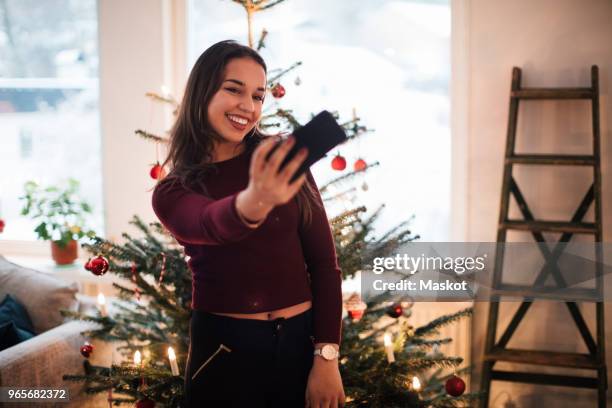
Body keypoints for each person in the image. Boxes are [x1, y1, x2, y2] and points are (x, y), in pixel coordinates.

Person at [151, 39, 345, 407]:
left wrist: (326, 357)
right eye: (233, 90)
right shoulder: (173, 191)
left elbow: (324, 264)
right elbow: (211, 223)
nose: (248, 106)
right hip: (224, 352)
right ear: (202, 92)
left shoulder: (280, 160)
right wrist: (257, 199)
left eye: (258, 96)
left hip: (300, 345)